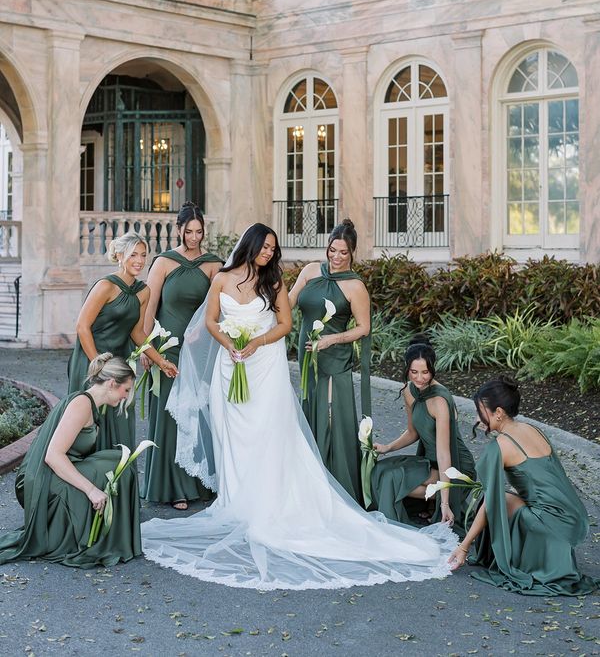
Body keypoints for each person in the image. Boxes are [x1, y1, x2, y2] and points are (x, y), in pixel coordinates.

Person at [141, 223, 456, 590]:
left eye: (273, 249)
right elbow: (212, 320)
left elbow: (285, 323)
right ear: (251, 245)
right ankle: (237, 498)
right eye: (265, 247)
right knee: (233, 434)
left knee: (267, 431)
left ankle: (269, 500)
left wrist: (256, 342)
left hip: (264, 364)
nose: (269, 253)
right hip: (230, 365)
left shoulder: (274, 282)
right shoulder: (223, 279)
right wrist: (229, 344)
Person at [448, 377, 599, 596]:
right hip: (572, 518)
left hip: (549, 523)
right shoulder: (533, 429)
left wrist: (463, 547)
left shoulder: (500, 445)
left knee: (497, 499)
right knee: (506, 497)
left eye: (480, 411)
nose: (477, 418)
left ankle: (523, 554)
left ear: (498, 412)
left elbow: (492, 501)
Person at [0, 354, 141, 568]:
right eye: (127, 390)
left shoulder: (91, 405)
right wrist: (91, 490)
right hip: (40, 481)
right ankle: (95, 537)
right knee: (116, 466)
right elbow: (53, 456)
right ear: (112, 383)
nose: (126, 396)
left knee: (119, 461)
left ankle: (108, 535)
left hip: (54, 472)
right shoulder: (81, 404)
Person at [141, 202, 222, 510]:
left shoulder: (213, 264)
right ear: (178, 230)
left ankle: (198, 484)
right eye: (189, 232)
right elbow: (149, 307)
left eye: (199, 232)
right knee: (168, 415)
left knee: (197, 411)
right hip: (167, 347)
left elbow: (219, 306)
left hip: (199, 350)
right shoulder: (163, 262)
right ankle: (172, 487)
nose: (194, 237)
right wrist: (146, 348)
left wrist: (201, 329)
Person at [68, 231, 178, 450]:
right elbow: (82, 327)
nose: (139, 260)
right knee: (89, 424)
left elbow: (137, 333)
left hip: (120, 365)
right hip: (91, 361)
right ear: (119, 255)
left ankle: (115, 472)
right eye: (133, 254)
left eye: (143, 255)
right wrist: (100, 366)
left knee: (120, 422)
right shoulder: (106, 286)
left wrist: (160, 361)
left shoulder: (143, 291)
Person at [288, 219, 371, 503]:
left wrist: (331, 340)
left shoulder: (355, 286)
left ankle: (335, 488)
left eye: (343, 252)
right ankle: (308, 484)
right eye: (332, 250)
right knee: (311, 411)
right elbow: (288, 302)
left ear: (352, 252)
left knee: (331, 418)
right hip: (307, 356)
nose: (336, 257)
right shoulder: (311, 271)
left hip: (334, 358)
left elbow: (363, 328)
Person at [371, 338, 476, 534]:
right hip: (429, 462)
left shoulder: (440, 401)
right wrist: (387, 448)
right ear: (407, 369)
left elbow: (444, 454)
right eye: (414, 372)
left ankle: (399, 525)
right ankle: (417, 508)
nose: (419, 378)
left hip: (455, 466)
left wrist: (445, 503)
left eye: (425, 372)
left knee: (391, 479)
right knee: (379, 471)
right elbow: (413, 432)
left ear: (433, 369)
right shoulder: (409, 391)